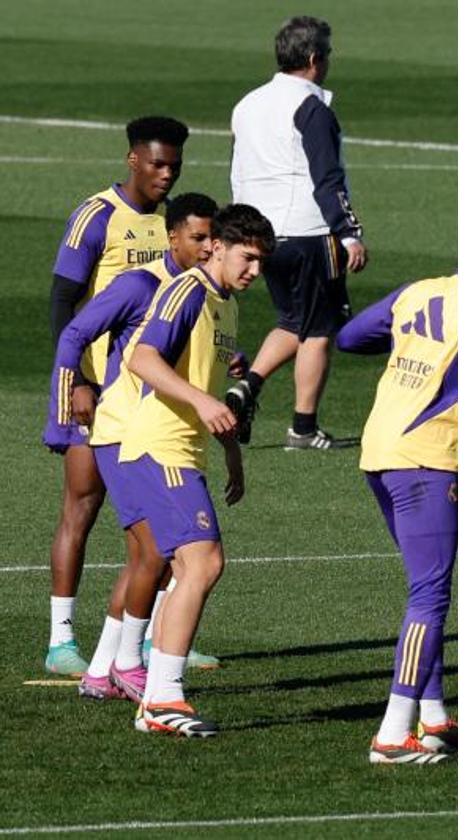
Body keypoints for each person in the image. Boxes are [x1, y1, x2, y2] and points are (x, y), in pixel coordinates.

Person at [337, 233, 458, 765]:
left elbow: (350, 337)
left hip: (378, 452)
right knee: (430, 597)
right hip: (425, 460)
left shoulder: (417, 291)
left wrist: (412, 349)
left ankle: (432, 720)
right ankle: (392, 733)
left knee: (424, 593)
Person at [47, 194, 221, 700]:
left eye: (214, 239)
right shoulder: (144, 284)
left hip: (152, 431)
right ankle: (120, 662)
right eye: (199, 239)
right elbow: (74, 331)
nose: (209, 248)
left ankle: (106, 668)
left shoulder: (203, 294)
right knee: (155, 553)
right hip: (126, 430)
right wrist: (71, 396)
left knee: (154, 556)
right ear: (172, 238)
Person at [120, 204, 275, 737]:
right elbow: (141, 359)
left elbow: (206, 390)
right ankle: (162, 696)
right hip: (158, 448)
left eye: (261, 262)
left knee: (188, 569)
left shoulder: (225, 306)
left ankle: (155, 697)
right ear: (218, 247)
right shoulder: (188, 291)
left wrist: (230, 450)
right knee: (204, 563)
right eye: (247, 258)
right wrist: (202, 405)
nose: (254, 270)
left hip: (185, 452)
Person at [44, 116, 189, 676]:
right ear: (133, 159)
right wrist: (76, 379)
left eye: (174, 165)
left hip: (153, 391)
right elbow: (62, 300)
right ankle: (61, 640)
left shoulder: (179, 225)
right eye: (157, 163)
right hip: (95, 385)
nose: (165, 174)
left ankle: (153, 639)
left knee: (161, 517)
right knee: (83, 504)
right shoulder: (97, 216)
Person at [227, 15, 367, 450]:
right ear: (313, 58)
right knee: (319, 329)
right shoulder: (312, 108)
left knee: (293, 319)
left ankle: (245, 387)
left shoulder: (247, 103)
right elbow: (328, 178)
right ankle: (303, 429)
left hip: (259, 234)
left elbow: (239, 167)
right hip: (307, 231)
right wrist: (349, 232)